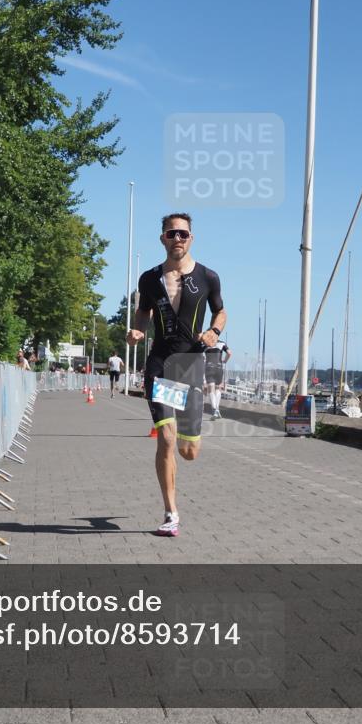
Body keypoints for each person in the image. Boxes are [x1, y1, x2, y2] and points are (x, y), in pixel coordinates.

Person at [127, 213, 226, 537]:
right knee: (167, 438)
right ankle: (171, 514)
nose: (178, 239)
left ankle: (188, 427)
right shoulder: (149, 279)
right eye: (172, 233)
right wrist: (138, 331)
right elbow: (143, 313)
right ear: (163, 238)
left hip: (189, 366)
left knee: (189, 451)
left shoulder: (208, 276)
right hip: (159, 364)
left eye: (183, 233)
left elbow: (220, 311)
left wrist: (213, 331)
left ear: (191, 238)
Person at [204, 338, 232, 419]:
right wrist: (225, 361)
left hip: (209, 367)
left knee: (211, 390)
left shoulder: (205, 343)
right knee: (218, 388)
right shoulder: (222, 343)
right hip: (219, 367)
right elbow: (229, 353)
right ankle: (217, 410)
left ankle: (215, 410)